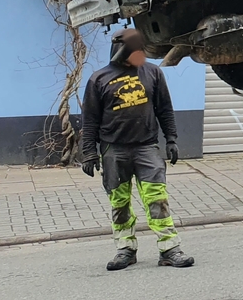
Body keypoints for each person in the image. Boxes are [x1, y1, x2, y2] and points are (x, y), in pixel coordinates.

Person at [80, 29, 193, 270]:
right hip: (113, 149)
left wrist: (171, 139)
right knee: (119, 203)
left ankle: (170, 249)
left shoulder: (152, 73)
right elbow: (89, 120)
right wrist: (88, 152)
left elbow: (165, 109)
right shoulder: (98, 79)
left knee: (157, 198)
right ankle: (126, 250)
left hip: (147, 148)